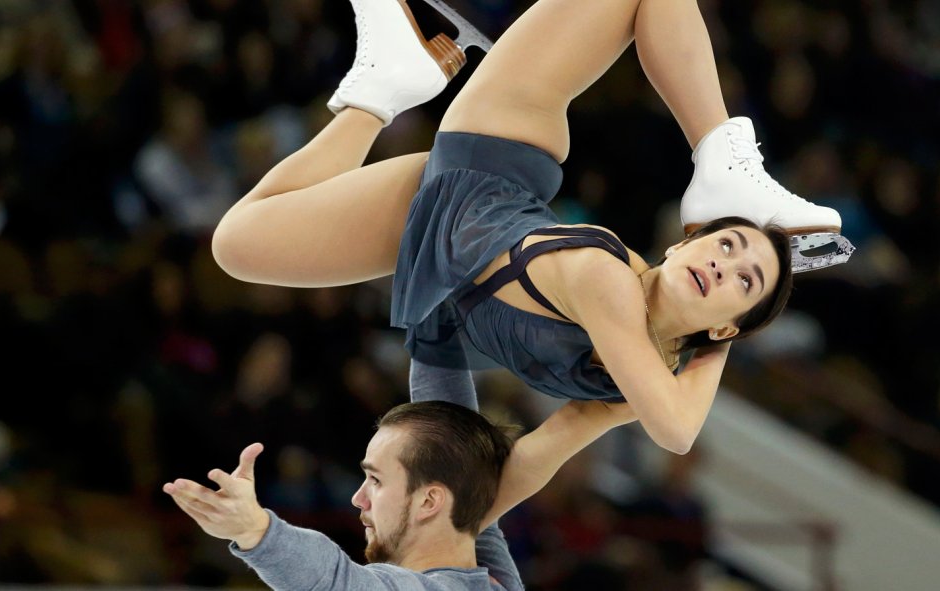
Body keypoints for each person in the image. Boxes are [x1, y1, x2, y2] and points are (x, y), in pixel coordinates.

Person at [208, 0, 845, 454]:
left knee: (238, 245)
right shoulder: (609, 292)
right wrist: (719, 334)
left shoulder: (626, 381)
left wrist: (446, 560)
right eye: (726, 246)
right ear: (683, 242)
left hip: (434, 229)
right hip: (494, 153)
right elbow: (677, 432)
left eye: (743, 278)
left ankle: (381, 87)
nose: (723, 264)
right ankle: (719, 155)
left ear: (730, 322)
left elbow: (535, 464)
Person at [162, 361, 635, 589]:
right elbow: (453, 430)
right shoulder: (483, 575)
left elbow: (335, 582)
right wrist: (432, 311)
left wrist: (257, 532)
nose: (357, 500)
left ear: (429, 501)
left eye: (375, 480)